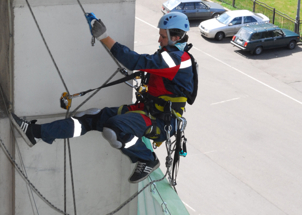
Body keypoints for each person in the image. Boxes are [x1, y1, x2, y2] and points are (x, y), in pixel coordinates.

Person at [11, 12, 196, 183]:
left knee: (114, 128)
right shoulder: (169, 56)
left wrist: (104, 37)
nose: (159, 39)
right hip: (147, 112)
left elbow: (136, 62)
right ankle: (34, 133)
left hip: (161, 120)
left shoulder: (179, 59)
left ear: (177, 37)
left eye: (163, 36)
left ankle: (147, 159)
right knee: (89, 117)